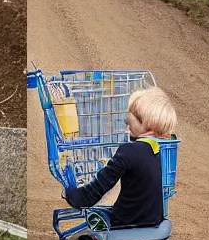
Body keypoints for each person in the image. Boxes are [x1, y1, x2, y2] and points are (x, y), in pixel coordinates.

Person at [62, 86, 175, 228]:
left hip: (125, 220)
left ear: (147, 123)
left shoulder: (128, 151)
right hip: (153, 218)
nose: (126, 122)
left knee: (99, 217)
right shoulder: (161, 150)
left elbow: (103, 183)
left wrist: (79, 197)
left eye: (130, 118)